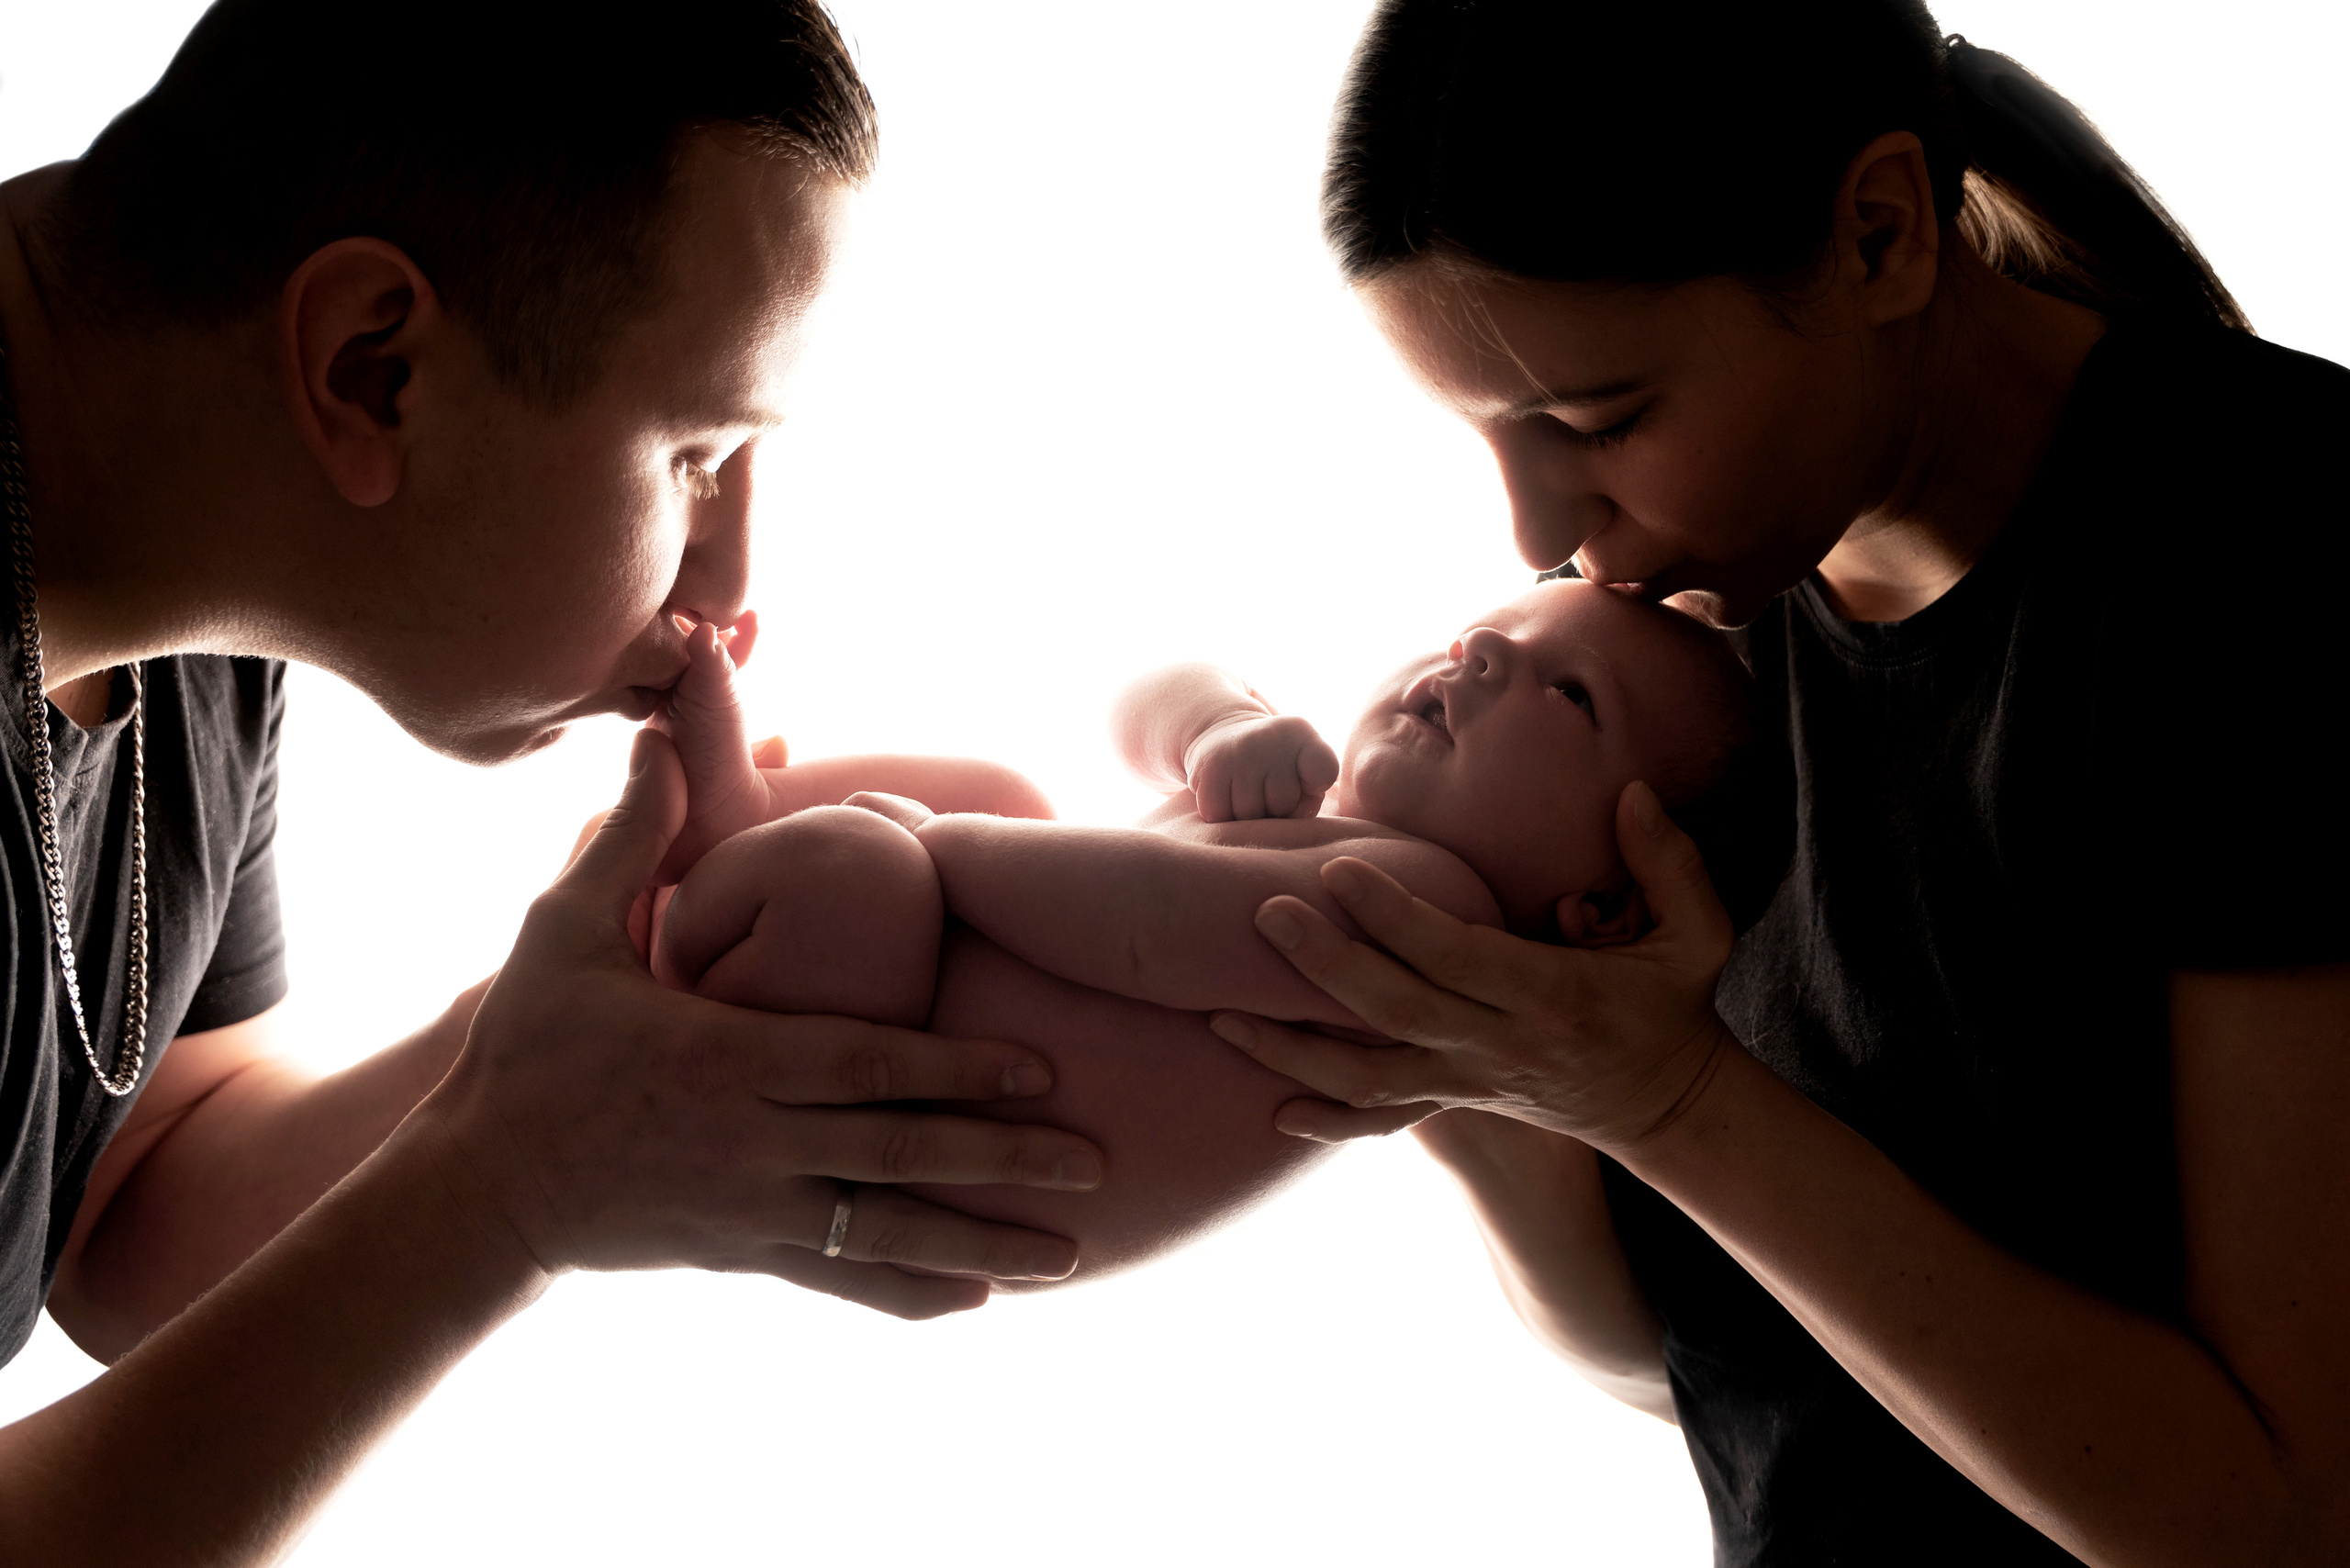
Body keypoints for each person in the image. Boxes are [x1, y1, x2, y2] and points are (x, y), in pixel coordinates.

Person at [1206, 3, 2350, 1564]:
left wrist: (1664, 1099)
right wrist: (1474, 1076)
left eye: (1597, 420)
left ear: (1880, 234)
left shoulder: (2259, 562)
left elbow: (2273, 1523)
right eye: (1482, 433)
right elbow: (1718, 1361)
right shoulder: (1706, 606)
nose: (1534, 528)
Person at [0, 5, 1122, 1562]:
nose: (736, 585)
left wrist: (593, 1015)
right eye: (698, 456)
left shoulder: (185, 550)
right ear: (373, 370)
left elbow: (129, 1209)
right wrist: (510, 1185)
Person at [638, 579, 1782, 1281]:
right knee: (998, 785)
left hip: (923, 1119)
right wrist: (1214, 722)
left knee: (872, 862)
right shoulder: (1324, 811)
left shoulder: (1429, 919)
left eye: (1568, 692)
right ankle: (737, 843)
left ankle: (734, 843)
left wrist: (937, 846)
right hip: (920, 1037)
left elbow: (1134, 927)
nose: (1477, 655)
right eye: (1488, 630)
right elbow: (1139, 699)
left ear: (1608, 903)